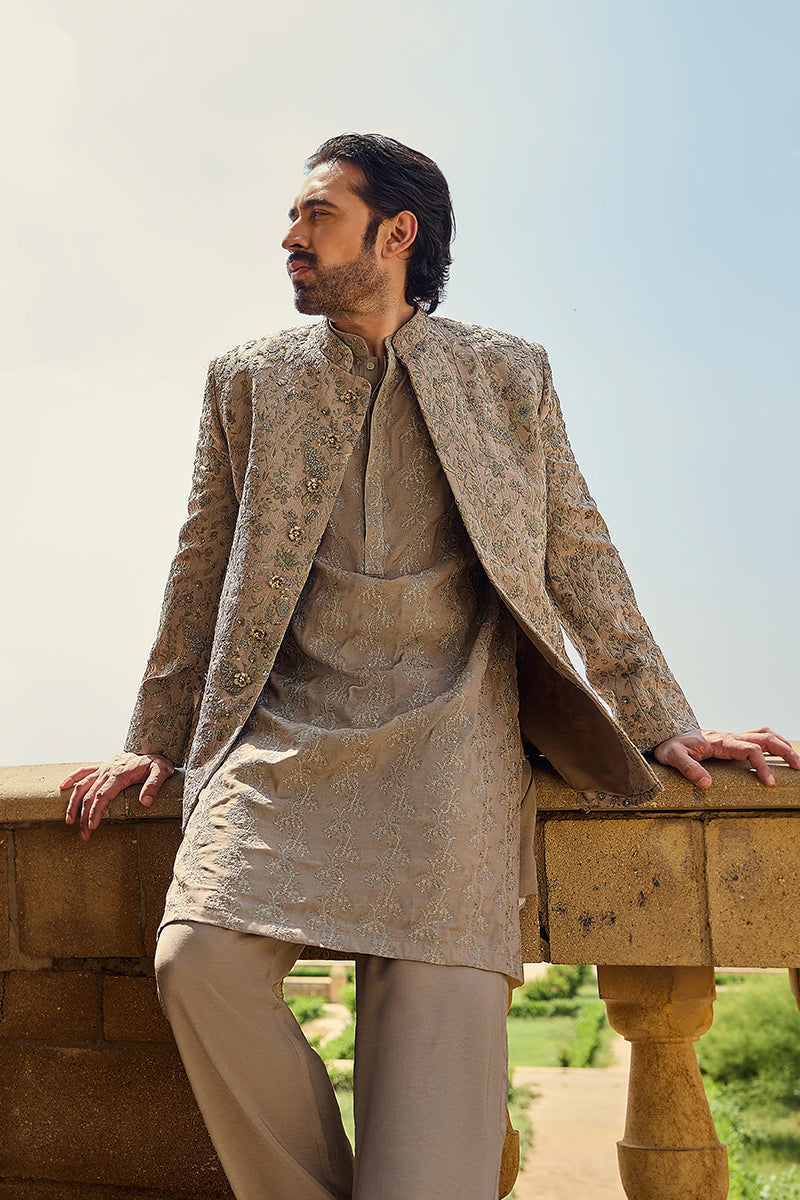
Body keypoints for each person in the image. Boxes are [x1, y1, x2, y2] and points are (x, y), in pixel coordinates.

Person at [63, 134, 799, 1200]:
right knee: (198, 965)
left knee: (427, 1170)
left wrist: (660, 719)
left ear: (395, 233)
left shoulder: (507, 373)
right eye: (293, 217)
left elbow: (576, 551)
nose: (290, 236)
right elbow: (200, 566)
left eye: (316, 214)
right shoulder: (247, 380)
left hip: (450, 753)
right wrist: (155, 739)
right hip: (281, 746)